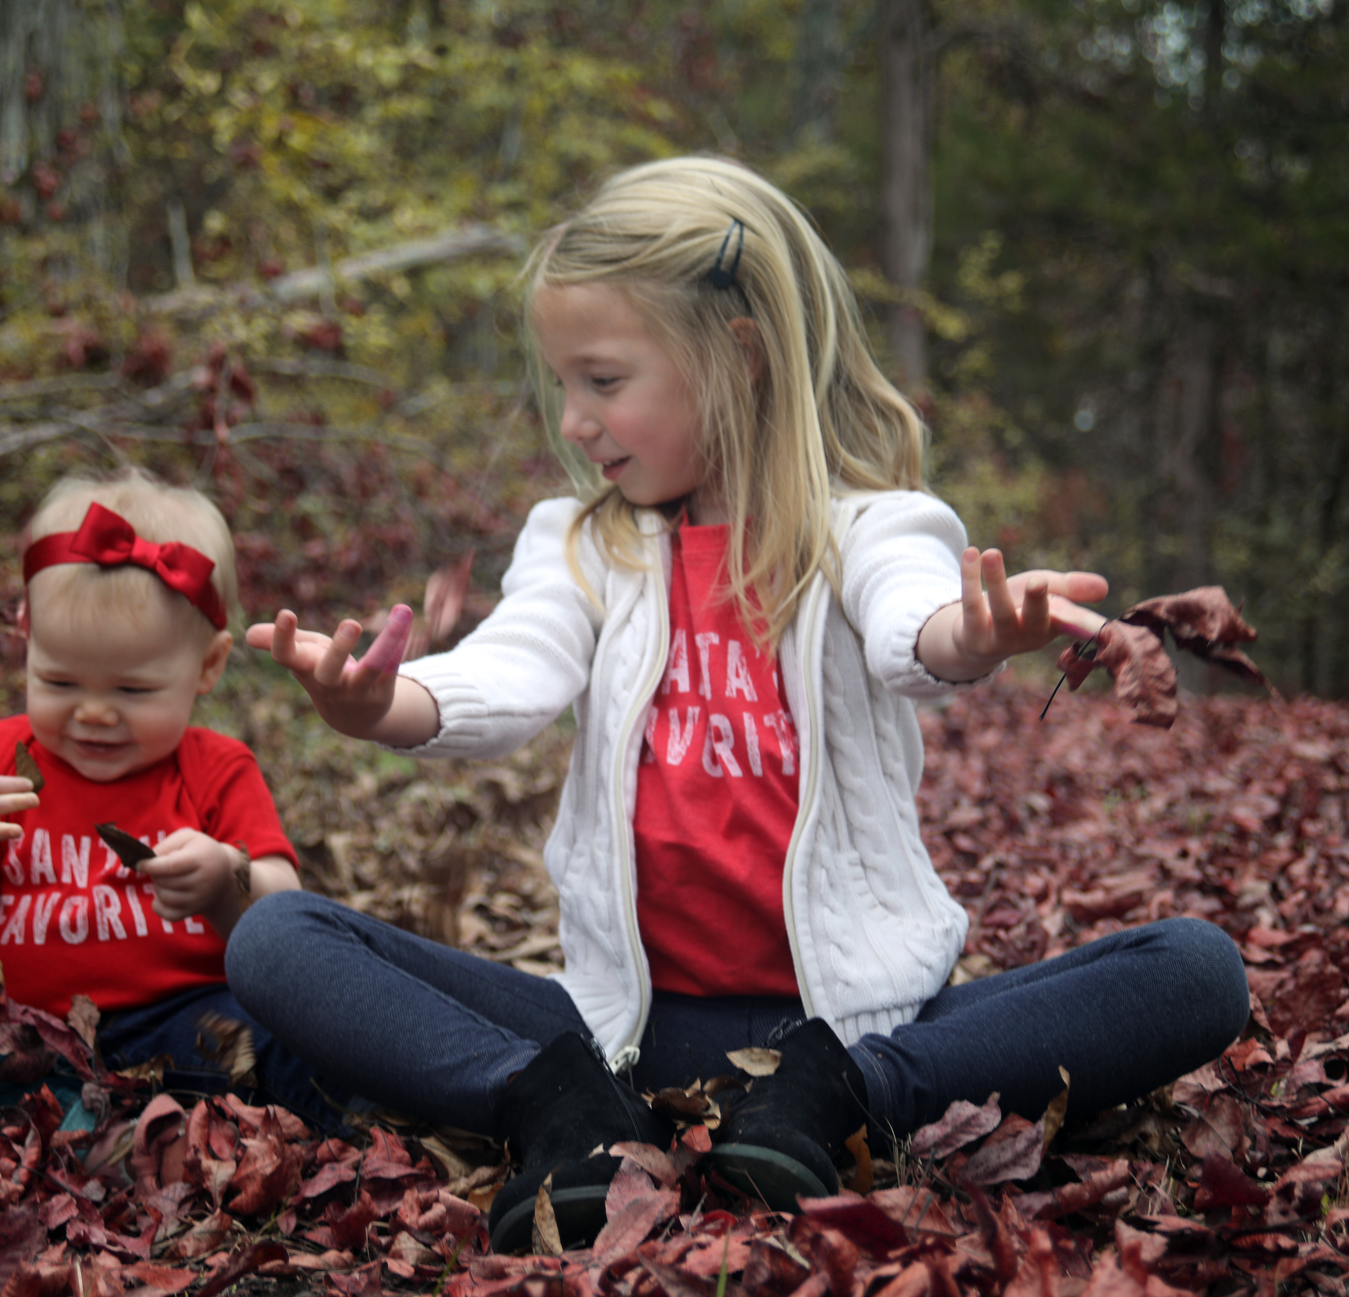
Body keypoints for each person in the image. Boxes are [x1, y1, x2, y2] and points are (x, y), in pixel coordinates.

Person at [227, 156, 1249, 1251]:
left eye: (603, 381)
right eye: (564, 385)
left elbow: (912, 625)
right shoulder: (581, 544)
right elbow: (511, 670)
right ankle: (554, 1109)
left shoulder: (868, 527)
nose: (573, 420)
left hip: (847, 1028)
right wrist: (385, 704)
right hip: (620, 1035)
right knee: (277, 936)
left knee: (1196, 970)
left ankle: (839, 1103)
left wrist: (975, 631)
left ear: (738, 356)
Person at [0, 467, 337, 1127]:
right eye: (61, 682)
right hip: (22, 1029)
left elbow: (285, 909)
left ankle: (183, 1131)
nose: (95, 713)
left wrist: (227, 878)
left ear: (208, 665)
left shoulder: (215, 769)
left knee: (282, 1049)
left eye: (133, 690)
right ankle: (91, 1137)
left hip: (184, 1017)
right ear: (27, 637)